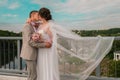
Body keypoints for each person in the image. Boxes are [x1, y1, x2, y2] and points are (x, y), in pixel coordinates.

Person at [20, 10, 51, 80]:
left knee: (32, 74)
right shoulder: (27, 26)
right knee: (33, 75)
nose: (39, 16)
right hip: (29, 54)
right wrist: (44, 45)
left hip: (34, 53)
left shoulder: (34, 24)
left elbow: (44, 22)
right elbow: (30, 42)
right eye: (38, 15)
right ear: (33, 15)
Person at [35, 7, 60, 80]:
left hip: (47, 49)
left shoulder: (49, 25)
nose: (38, 16)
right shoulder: (40, 25)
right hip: (41, 49)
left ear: (41, 15)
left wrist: (42, 40)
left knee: (48, 65)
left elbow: (52, 39)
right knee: (42, 65)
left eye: (38, 15)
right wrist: (37, 39)